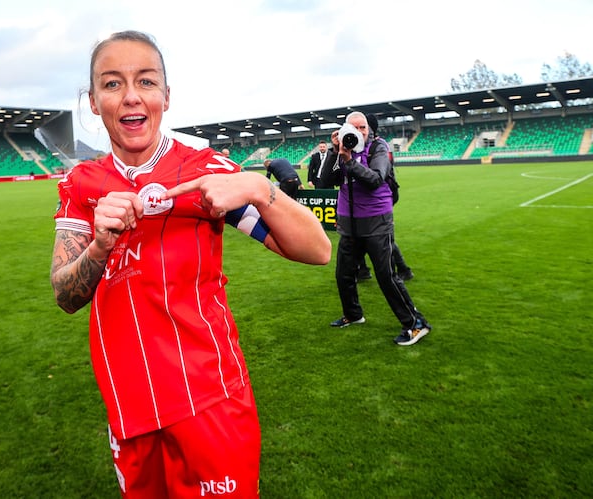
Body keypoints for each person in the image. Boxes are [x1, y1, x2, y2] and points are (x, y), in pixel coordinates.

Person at [50, 30, 331, 498]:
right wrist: (99, 246)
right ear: (94, 102)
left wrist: (260, 190)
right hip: (128, 406)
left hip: (209, 399)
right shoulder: (82, 184)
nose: (131, 96)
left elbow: (316, 250)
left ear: (165, 95)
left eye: (146, 81)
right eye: (112, 83)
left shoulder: (206, 172)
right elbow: (65, 295)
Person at [320, 111, 430, 346]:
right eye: (353, 128)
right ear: (344, 129)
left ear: (370, 129)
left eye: (363, 128)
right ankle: (353, 314)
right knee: (343, 274)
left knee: (386, 276)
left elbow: (375, 179)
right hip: (350, 224)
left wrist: (349, 161)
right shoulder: (341, 150)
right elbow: (325, 182)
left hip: (376, 221)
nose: (358, 132)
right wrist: (334, 151)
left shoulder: (378, 147)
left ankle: (415, 324)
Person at [356, 115, 413, 282]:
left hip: (381, 197)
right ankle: (363, 270)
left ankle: (402, 269)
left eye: (362, 127)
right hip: (374, 196)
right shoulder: (368, 145)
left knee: (383, 238)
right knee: (360, 235)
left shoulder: (379, 146)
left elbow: (379, 175)